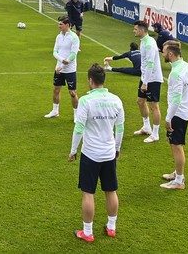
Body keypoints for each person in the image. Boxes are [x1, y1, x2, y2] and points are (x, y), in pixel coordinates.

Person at [69, 64, 125, 242]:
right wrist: (117, 148)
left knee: (88, 193)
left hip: (91, 154)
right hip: (109, 153)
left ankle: (87, 231)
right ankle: (111, 227)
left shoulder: (86, 101)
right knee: (111, 191)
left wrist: (73, 150)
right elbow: (121, 127)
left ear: (90, 81)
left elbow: (79, 128)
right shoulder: (116, 100)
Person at [160, 40, 188, 190]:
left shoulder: (175, 73)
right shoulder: (187, 66)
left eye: (164, 51)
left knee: (176, 146)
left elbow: (177, 98)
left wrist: (168, 118)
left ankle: (179, 181)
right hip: (185, 111)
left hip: (177, 114)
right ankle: (177, 173)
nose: (162, 53)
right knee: (174, 144)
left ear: (171, 54)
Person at [132, 20, 163, 143]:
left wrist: (146, 82)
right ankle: (146, 127)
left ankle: (155, 134)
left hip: (152, 79)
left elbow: (150, 64)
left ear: (141, 30)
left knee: (153, 105)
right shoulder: (143, 42)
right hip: (145, 78)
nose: (134, 31)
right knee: (140, 101)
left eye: (135, 29)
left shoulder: (149, 44)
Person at [45, 15, 80, 119]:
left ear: (67, 25)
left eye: (61, 24)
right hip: (58, 69)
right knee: (56, 90)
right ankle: (55, 111)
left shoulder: (74, 37)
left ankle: (76, 115)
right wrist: (61, 62)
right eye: (58, 24)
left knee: (72, 93)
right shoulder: (58, 36)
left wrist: (65, 62)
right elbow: (55, 52)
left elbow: (73, 54)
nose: (59, 26)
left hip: (70, 70)